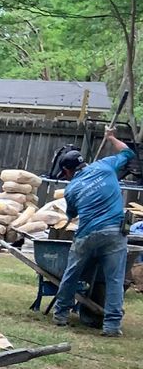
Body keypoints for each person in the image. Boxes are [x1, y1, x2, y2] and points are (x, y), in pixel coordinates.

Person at [51, 127, 135, 337]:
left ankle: (60, 314)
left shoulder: (71, 189)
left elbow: (71, 214)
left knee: (71, 273)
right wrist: (111, 137)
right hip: (115, 232)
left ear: (68, 171)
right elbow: (127, 153)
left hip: (88, 233)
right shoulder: (106, 165)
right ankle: (112, 326)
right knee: (114, 279)